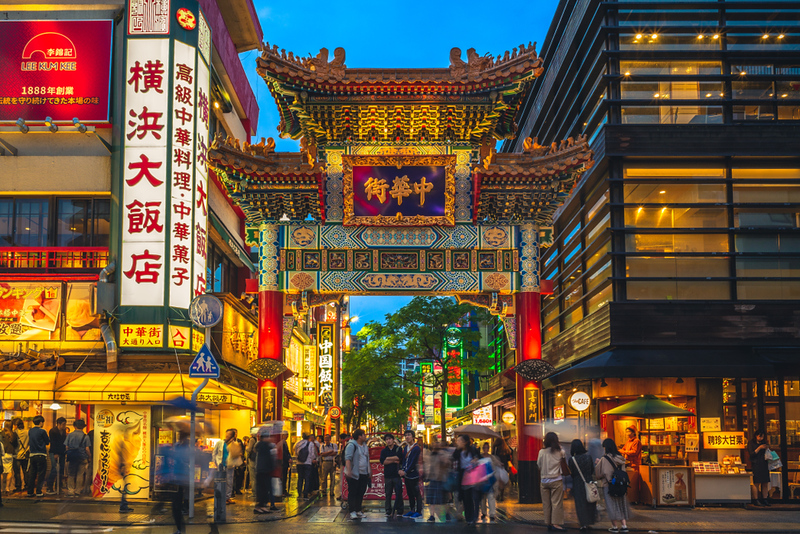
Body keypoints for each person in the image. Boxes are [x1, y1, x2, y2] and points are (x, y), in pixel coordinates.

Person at [595, 438, 630, 533]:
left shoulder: (604, 459)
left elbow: (600, 473)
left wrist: (598, 464)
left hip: (609, 485)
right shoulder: (621, 458)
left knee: (611, 505)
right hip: (621, 485)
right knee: (621, 504)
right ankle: (624, 525)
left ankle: (614, 527)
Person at [537, 432, 567, 532]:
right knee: (556, 503)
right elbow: (564, 464)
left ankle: (548, 522)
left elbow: (538, 465)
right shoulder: (560, 451)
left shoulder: (541, 452)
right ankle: (556, 523)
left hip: (544, 480)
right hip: (556, 479)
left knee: (546, 503)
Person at [569, 439, 597, 532]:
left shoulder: (572, 459)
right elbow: (592, 470)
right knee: (590, 501)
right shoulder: (588, 457)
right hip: (589, 482)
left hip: (578, 483)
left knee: (580, 504)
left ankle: (583, 524)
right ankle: (590, 521)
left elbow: (571, 473)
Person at [452, 434, 480, 526]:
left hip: (473, 477)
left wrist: (476, 460)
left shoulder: (472, 450)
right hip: (463, 476)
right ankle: (469, 518)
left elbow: (480, 458)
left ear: (465, 442)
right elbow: (453, 458)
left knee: (472, 498)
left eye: (459, 441)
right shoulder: (458, 451)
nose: (458, 442)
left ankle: (472, 517)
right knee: (465, 498)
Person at [344, 428, 371, 520]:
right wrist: (349, 470)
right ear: (359, 436)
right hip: (355, 473)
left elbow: (367, 459)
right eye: (364, 435)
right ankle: (352, 511)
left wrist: (369, 471)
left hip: (364, 473)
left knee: (361, 492)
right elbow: (348, 458)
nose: (365, 436)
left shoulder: (364, 446)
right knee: (353, 492)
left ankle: (358, 510)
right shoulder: (351, 445)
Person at [167, 431, 191, 534]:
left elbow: (186, 460)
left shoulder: (187, 448)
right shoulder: (177, 446)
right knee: (176, 502)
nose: (179, 437)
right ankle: (180, 528)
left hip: (183, 475)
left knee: (179, 500)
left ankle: (180, 528)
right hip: (176, 476)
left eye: (180, 436)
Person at [424, 439, 451, 523]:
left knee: (444, 500)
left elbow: (448, 463)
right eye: (434, 443)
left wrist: (443, 459)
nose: (435, 445)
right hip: (433, 479)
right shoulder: (431, 453)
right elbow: (428, 465)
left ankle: (447, 513)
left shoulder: (443, 453)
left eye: (437, 443)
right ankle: (432, 515)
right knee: (432, 500)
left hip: (442, 479)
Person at [380, 433, 405, 517]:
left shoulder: (398, 449)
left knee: (399, 493)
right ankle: (388, 510)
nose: (388, 441)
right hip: (387, 475)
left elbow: (399, 458)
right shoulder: (384, 451)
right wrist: (393, 460)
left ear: (393, 440)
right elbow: (383, 462)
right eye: (386, 439)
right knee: (388, 493)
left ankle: (399, 510)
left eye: (390, 439)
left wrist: (388, 458)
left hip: (397, 474)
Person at [64, 419, 90, 497]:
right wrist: (90, 457)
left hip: (72, 457)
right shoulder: (86, 436)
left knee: (71, 474)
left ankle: (71, 491)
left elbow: (66, 447)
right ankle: (78, 491)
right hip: (82, 457)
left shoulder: (70, 435)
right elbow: (87, 449)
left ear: (75, 426)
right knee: (80, 475)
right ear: (83, 427)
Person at [399, 430, 422, 518]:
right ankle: (412, 509)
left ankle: (419, 511)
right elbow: (404, 461)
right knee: (410, 493)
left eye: (409, 435)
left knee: (416, 493)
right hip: (407, 475)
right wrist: (402, 470)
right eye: (406, 435)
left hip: (414, 474)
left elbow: (413, 462)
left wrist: (405, 471)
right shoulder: (405, 448)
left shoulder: (416, 448)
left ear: (413, 437)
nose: (407, 437)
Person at [254, 428, 277, 514]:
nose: (270, 438)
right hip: (263, 470)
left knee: (264, 488)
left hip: (263, 470)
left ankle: (262, 506)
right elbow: (266, 458)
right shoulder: (263, 445)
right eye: (268, 437)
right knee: (262, 488)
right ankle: (259, 506)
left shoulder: (262, 445)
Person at [26, 415, 49, 497]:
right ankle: (39, 491)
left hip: (32, 455)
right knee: (41, 474)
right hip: (41, 455)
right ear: (41, 422)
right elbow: (47, 442)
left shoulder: (30, 431)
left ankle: (30, 491)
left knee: (32, 474)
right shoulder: (43, 431)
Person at [748, 428, 771, 506]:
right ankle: (755, 499)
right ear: (756, 436)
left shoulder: (764, 443)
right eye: (760, 436)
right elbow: (752, 454)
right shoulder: (751, 443)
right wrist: (759, 448)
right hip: (756, 464)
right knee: (756, 482)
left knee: (765, 482)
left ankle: (765, 499)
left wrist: (767, 447)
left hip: (764, 464)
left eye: (762, 437)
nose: (761, 438)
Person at [619, 426, 642, 504]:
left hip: (634, 464)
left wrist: (623, 452)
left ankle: (635, 498)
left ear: (633, 432)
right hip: (628, 463)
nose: (627, 433)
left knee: (634, 481)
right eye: (626, 431)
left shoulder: (637, 441)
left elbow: (634, 452)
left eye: (628, 431)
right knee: (629, 481)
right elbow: (624, 449)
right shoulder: (628, 441)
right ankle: (630, 498)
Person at [46, 417, 67, 494]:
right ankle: (49, 486)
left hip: (62, 452)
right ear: (59, 424)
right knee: (54, 469)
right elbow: (53, 443)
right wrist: (55, 453)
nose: (64, 426)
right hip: (54, 452)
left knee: (61, 470)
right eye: (63, 424)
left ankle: (58, 487)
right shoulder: (53, 431)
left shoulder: (63, 431)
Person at [294, 433, 318, 499]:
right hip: (308, 463)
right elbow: (312, 454)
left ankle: (299, 494)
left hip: (299, 463)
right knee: (307, 478)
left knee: (300, 478)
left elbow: (295, 452)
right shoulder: (310, 444)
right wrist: (313, 460)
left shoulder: (297, 443)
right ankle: (305, 494)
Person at [492, 438, 512, 502]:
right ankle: (502, 495)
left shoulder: (495, 449)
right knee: (502, 481)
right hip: (504, 467)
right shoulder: (506, 449)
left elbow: (493, 457)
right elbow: (509, 459)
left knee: (497, 480)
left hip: (497, 467)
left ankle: (498, 493)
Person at [13, 419, 29, 493]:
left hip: (17, 455)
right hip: (25, 454)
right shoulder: (27, 432)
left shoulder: (15, 433)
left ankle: (18, 486)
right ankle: (26, 485)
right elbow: (29, 443)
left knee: (17, 472)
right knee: (25, 470)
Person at [1, 426, 14, 495]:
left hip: (2, 454)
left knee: (1, 472)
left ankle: (1, 488)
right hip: (9, 454)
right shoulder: (12, 435)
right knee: (9, 471)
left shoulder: (1, 435)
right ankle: (7, 488)